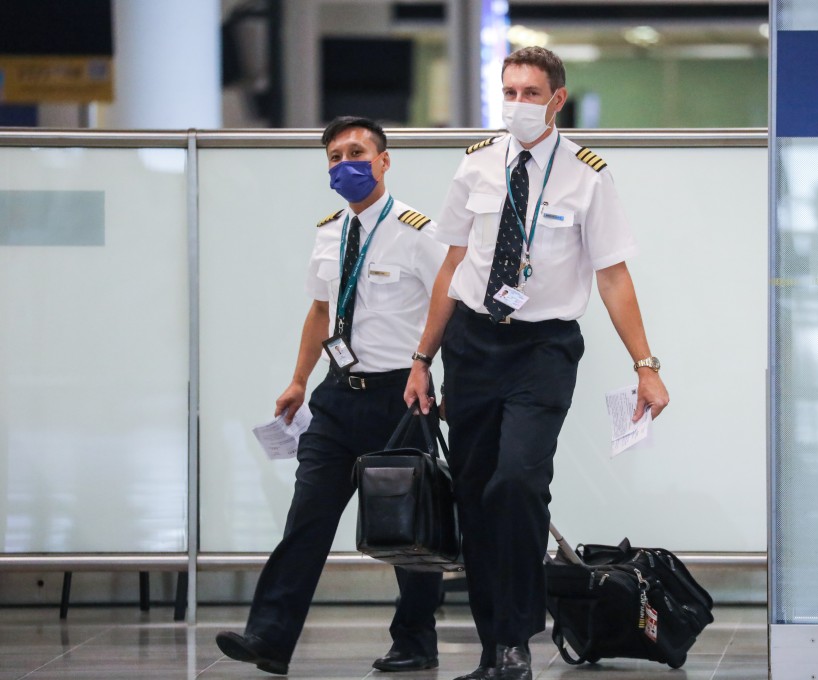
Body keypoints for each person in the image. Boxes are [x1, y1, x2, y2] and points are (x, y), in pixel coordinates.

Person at [404, 47, 670, 680]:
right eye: (509, 91)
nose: (517, 104)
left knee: (518, 482)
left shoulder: (586, 174)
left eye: (530, 93)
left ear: (557, 99)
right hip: (472, 342)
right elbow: (449, 267)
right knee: (473, 493)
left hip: (543, 349)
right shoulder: (474, 167)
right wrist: (422, 358)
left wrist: (646, 362)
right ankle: (496, 645)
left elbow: (612, 276)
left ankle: (519, 636)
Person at [216, 116, 447, 675]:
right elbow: (320, 311)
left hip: (401, 397)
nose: (346, 163)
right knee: (307, 518)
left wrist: (432, 374)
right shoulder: (329, 231)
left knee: (409, 527)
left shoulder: (419, 232)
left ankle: (415, 640)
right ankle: (270, 637)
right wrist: (298, 380)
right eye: (335, 155)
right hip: (337, 396)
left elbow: (450, 308)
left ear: (384, 159)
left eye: (357, 151)